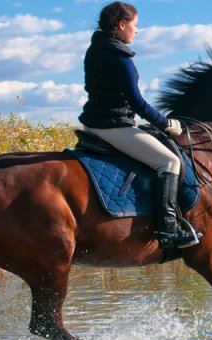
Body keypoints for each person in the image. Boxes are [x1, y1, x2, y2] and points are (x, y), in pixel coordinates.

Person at [78, 1, 197, 249]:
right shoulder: (119, 58)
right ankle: (169, 231)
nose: (137, 30)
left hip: (96, 123)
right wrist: (166, 124)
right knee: (170, 162)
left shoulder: (96, 49)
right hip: (113, 127)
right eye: (135, 25)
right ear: (122, 25)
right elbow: (137, 103)